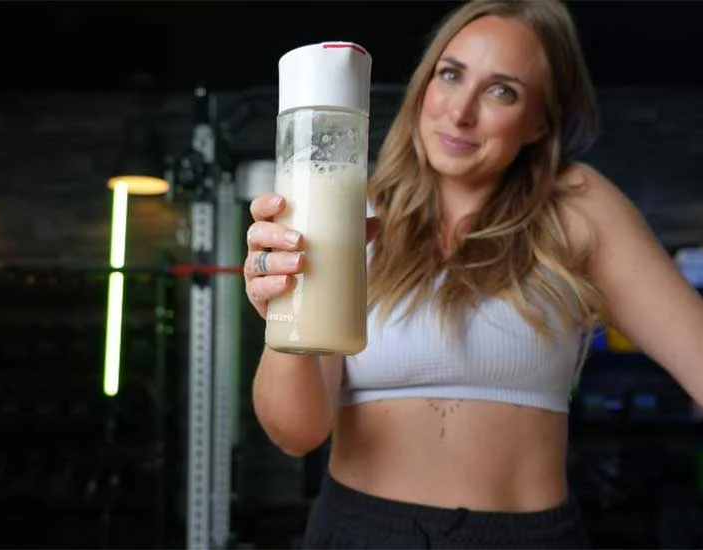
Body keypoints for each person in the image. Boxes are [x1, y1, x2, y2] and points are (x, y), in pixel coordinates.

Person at [243, 0, 703, 547]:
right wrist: (283, 312)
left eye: (501, 90)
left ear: (540, 121)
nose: (461, 112)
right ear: (424, 85)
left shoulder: (578, 207)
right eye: (450, 74)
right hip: (359, 532)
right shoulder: (346, 213)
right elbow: (296, 434)